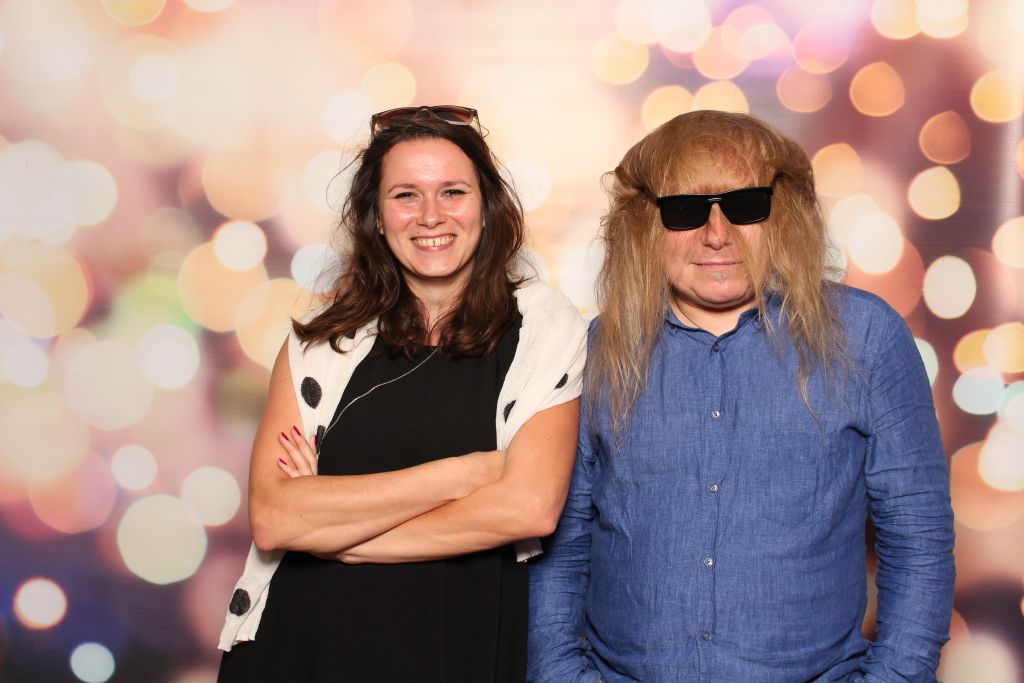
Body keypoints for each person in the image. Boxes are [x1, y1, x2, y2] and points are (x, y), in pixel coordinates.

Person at [527, 110, 955, 681]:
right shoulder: (597, 347)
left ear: (784, 215)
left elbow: (919, 540)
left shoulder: (866, 337)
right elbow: (560, 546)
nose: (716, 234)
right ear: (644, 226)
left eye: (746, 205)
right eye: (685, 210)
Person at [217, 105, 587, 682]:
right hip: (300, 651)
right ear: (376, 216)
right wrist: (467, 474)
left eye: (453, 192)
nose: (431, 215)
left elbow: (529, 507)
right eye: (406, 195)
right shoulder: (320, 346)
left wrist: (338, 537)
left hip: (454, 649)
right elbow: (275, 519)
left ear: (487, 207)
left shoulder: (543, 326)